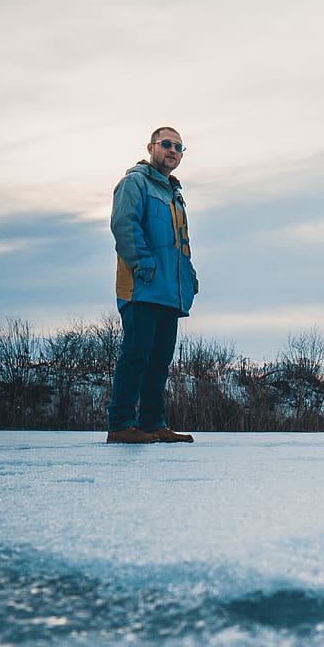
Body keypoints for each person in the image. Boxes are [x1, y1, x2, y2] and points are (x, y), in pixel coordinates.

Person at [106, 127, 199, 444]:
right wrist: (142, 264)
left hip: (169, 292)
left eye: (179, 147)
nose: (173, 150)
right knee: (136, 355)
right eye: (167, 144)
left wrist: (189, 276)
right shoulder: (135, 183)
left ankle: (152, 423)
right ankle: (120, 424)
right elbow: (124, 224)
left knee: (160, 359)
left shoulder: (174, 194)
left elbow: (180, 244)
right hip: (141, 287)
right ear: (151, 147)